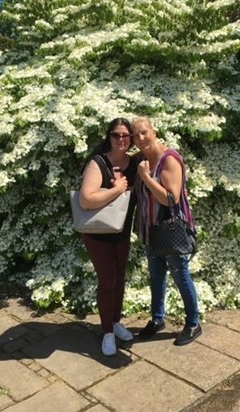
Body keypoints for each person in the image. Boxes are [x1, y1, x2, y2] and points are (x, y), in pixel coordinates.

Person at [132, 116, 202, 346]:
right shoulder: (142, 159)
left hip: (171, 229)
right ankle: (157, 319)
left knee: (180, 274)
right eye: (135, 135)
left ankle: (193, 322)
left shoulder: (169, 159)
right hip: (151, 229)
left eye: (144, 132)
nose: (140, 138)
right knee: (156, 276)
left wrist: (144, 177)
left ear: (155, 132)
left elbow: (170, 198)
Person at [79, 118, 139, 356]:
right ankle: (107, 333)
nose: (121, 140)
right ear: (109, 136)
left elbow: (157, 152)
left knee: (120, 279)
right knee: (107, 282)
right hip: (98, 233)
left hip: (121, 231)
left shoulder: (134, 163)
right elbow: (86, 199)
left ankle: (115, 322)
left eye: (126, 135)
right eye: (116, 135)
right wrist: (116, 189)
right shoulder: (98, 162)